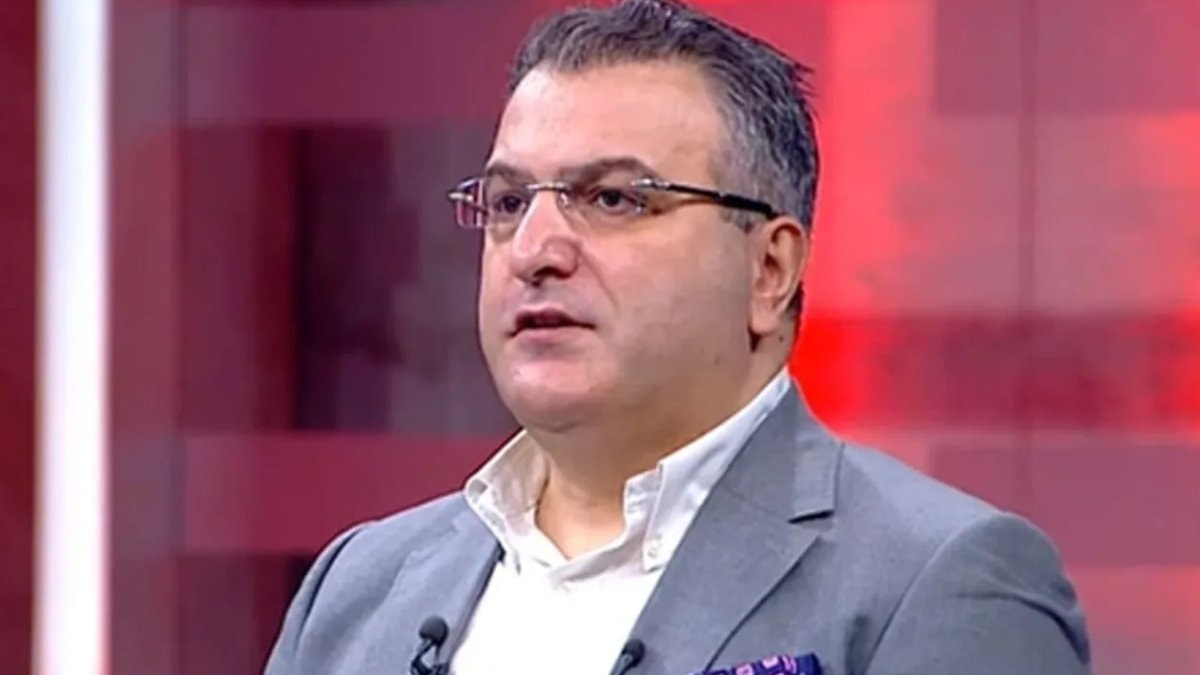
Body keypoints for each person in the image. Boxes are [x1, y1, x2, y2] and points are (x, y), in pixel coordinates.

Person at [264, 1, 1090, 673]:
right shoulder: (360, 588)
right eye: (510, 203)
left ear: (769, 269)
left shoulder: (940, 580)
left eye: (614, 198)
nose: (535, 250)